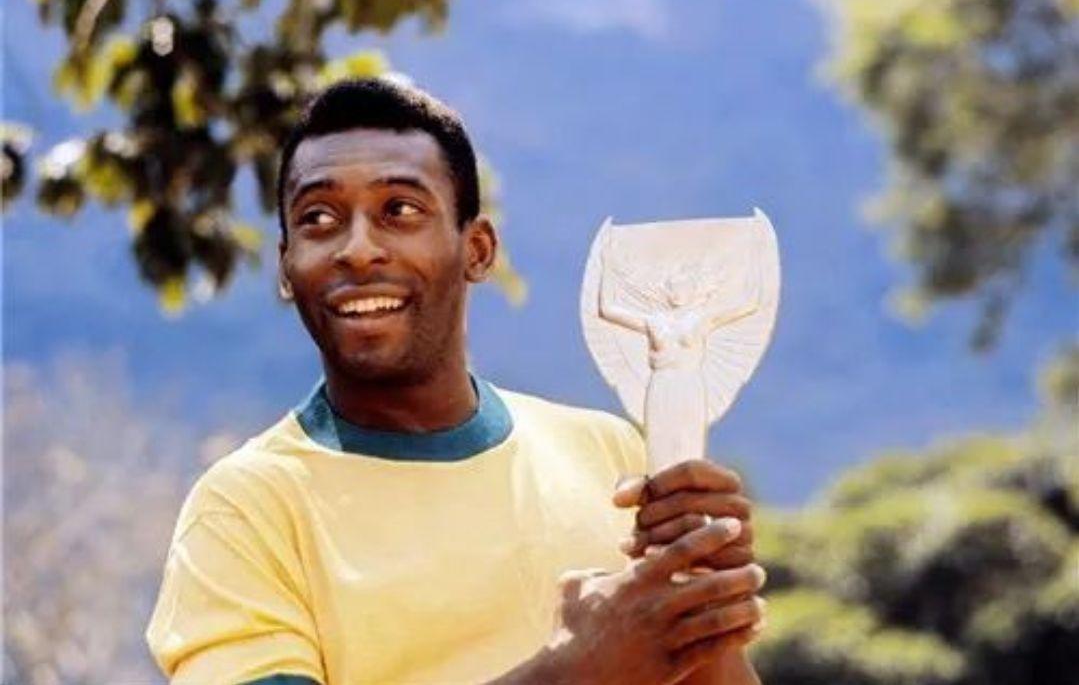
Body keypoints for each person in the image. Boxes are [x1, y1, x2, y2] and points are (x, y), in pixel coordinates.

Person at [145, 78, 766, 685]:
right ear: (286, 267)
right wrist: (576, 671)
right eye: (319, 217)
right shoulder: (245, 510)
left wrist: (704, 595)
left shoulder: (611, 456)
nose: (357, 249)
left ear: (478, 249)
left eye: (400, 210)